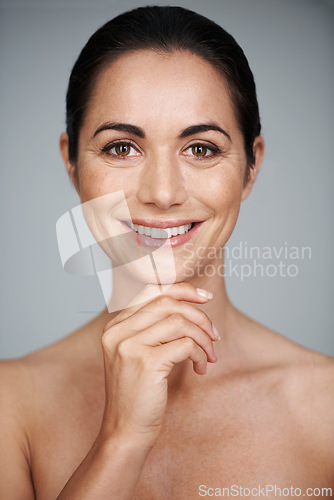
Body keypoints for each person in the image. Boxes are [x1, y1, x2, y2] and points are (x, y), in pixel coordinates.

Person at [1, 5, 333, 499]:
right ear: (72, 164)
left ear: (250, 167)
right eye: (121, 147)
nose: (161, 192)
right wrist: (120, 441)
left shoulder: (326, 406)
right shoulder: (10, 406)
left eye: (201, 148)